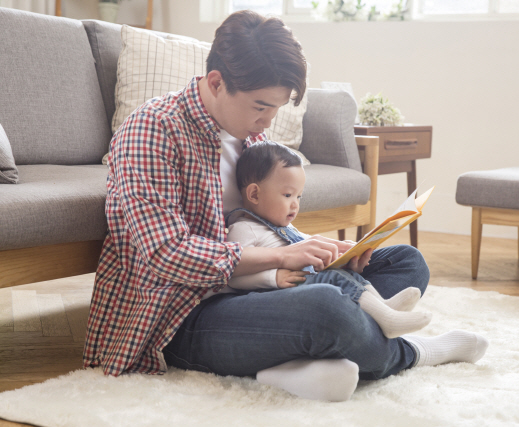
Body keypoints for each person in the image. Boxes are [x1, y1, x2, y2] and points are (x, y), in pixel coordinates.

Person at [83, 9, 488, 402]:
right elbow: (165, 254)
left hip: (256, 292)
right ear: (216, 81)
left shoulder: (251, 139)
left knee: (406, 263)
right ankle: (415, 352)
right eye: (261, 106)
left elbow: (268, 232)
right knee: (327, 308)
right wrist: (287, 259)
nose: (268, 120)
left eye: (277, 108)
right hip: (182, 314)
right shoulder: (153, 129)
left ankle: (308, 361)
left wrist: (321, 251)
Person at [224, 140, 431, 339]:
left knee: (402, 258)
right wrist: (273, 278)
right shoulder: (243, 229)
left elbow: (308, 245)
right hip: (276, 294)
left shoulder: (284, 227)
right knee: (334, 280)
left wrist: (344, 254)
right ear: (254, 194)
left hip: (311, 280)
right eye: (288, 195)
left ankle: (383, 307)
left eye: (299, 197)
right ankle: (386, 319)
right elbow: (232, 275)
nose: (295, 205)